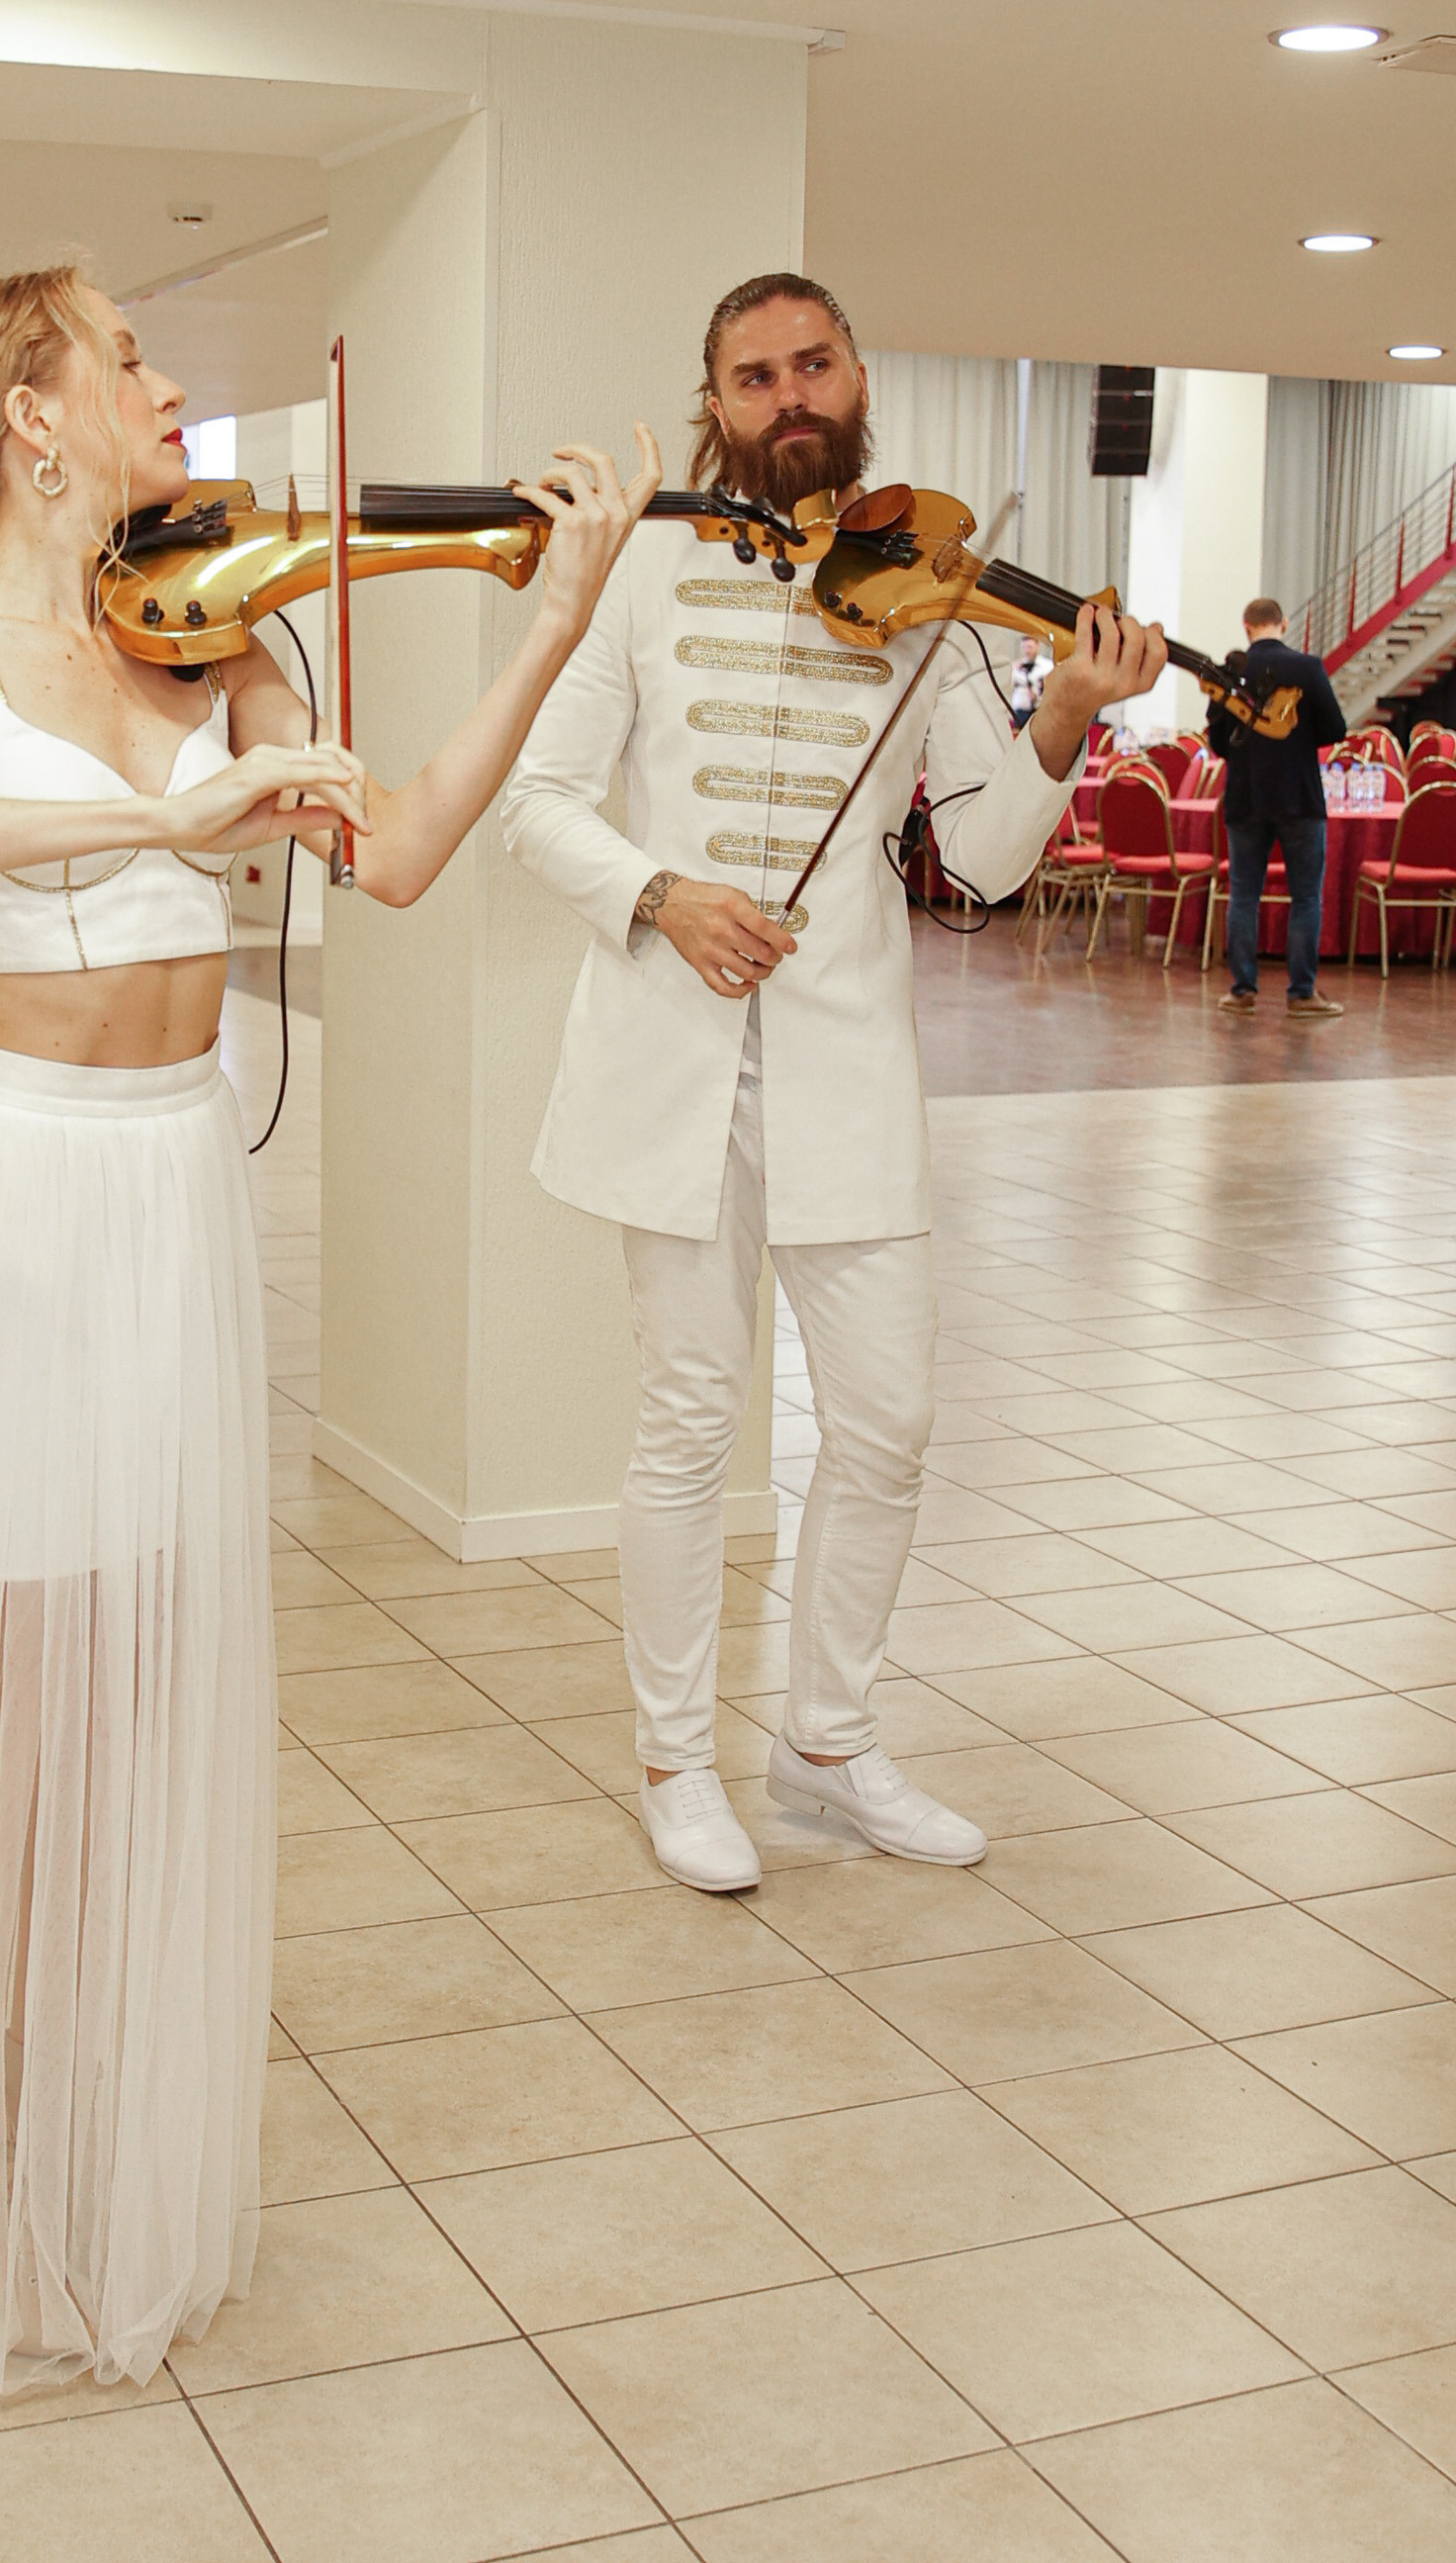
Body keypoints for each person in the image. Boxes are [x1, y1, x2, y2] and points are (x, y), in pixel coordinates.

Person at [0, 262, 660, 2390]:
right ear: (31, 420)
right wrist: (155, 814)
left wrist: (556, 621)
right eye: (123, 353)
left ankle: (66, 2168)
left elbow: (393, 852)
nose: (164, 381)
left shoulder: (209, 632)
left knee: (123, 1702)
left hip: (167, 1207)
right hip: (16, 1197)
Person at [502, 272, 1163, 1894]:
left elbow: (990, 863)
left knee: (889, 1420)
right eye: (755, 376)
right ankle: (674, 1760)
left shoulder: (924, 590)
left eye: (814, 364)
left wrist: (1066, 712)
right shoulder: (649, 562)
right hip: (675, 1054)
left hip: (848, 1062)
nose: (790, 396)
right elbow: (536, 799)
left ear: (855, 377)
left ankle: (826, 1742)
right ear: (716, 400)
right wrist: (664, 897)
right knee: (686, 1421)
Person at [1209, 595, 1346, 1020]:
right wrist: (1297, 740)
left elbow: (1216, 740)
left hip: (1246, 796)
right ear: (1283, 624)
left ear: (1246, 627)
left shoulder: (1231, 671)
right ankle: (1301, 993)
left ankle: (1242, 990)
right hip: (1299, 797)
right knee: (1306, 896)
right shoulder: (1307, 668)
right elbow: (1336, 728)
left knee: (1244, 895)